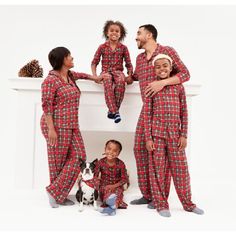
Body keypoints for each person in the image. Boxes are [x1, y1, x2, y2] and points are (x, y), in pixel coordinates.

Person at [130, 24, 191, 208]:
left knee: (162, 153)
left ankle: (160, 196)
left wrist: (162, 83)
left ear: (149, 35)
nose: (136, 37)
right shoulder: (140, 59)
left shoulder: (167, 51)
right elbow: (134, 77)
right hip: (148, 108)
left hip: (167, 109)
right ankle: (148, 194)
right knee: (139, 148)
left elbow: (185, 74)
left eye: (139, 33)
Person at [41, 46, 102, 208]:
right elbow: (47, 106)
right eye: (69, 56)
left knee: (79, 157)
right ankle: (57, 197)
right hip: (55, 124)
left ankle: (54, 192)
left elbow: (81, 74)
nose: (72, 58)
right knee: (57, 162)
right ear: (62, 60)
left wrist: (94, 77)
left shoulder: (70, 76)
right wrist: (51, 129)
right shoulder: (50, 80)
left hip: (72, 124)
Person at [144, 54, 204, 217]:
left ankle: (188, 203)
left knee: (181, 170)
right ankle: (161, 204)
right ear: (153, 69)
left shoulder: (179, 87)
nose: (162, 69)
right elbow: (147, 114)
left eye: (165, 66)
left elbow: (184, 113)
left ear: (171, 68)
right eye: (158, 66)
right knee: (158, 171)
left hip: (175, 136)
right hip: (157, 135)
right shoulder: (150, 87)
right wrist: (148, 138)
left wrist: (184, 135)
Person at [91, 20, 133, 123]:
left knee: (120, 81)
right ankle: (115, 111)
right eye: (112, 30)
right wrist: (95, 76)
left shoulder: (124, 48)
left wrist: (130, 75)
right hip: (105, 72)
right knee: (107, 80)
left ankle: (112, 111)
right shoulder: (102, 47)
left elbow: (128, 64)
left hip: (118, 72)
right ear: (107, 33)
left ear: (120, 34)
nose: (114, 32)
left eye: (117, 31)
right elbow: (94, 62)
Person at [95, 140, 129, 216]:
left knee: (117, 193)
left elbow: (124, 179)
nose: (111, 152)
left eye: (115, 151)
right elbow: (95, 176)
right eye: (109, 149)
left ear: (118, 153)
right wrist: (97, 184)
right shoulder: (100, 162)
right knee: (107, 193)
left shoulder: (121, 164)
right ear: (105, 149)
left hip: (116, 186)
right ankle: (112, 206)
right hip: (105, 186)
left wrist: (114, 186)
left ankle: (111, 208)